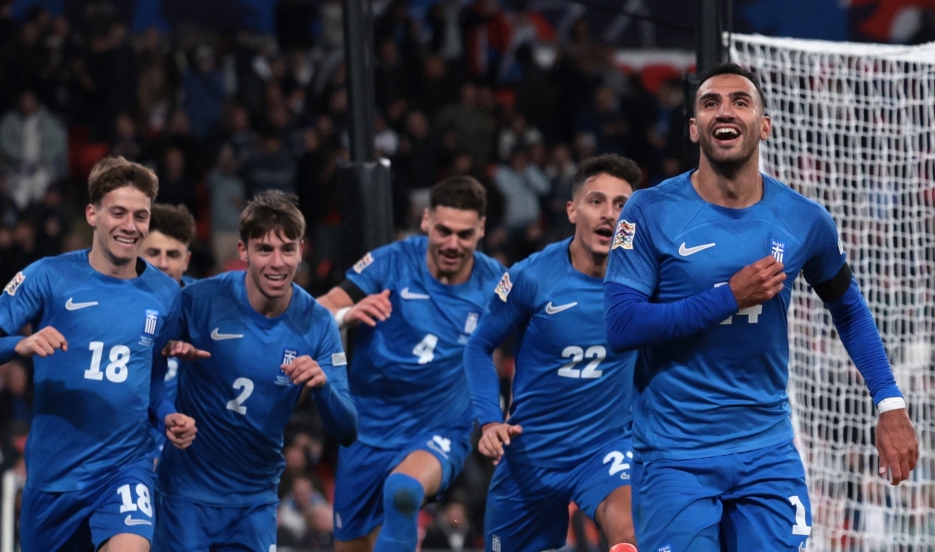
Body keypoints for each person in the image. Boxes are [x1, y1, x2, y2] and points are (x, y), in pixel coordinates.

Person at [603, 64, 919, 551]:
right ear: (694, 128)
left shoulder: (805, 220)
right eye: (710, 103)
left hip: (766, 450)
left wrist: (890, 402)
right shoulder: (648, 211)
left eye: (739, 102)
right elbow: (622, 326)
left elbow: (849, 311)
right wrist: (728, 296)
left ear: (764, 125)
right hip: (674, 454)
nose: (724, 111)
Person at [0, 156, 197, 552]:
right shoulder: (48, 276)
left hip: (125, 470)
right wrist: (20, 344)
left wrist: (167, 414)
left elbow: (152, 379)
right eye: (118, 212)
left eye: (140, 215)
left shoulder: (165, 294)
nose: (130, 225)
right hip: (54, 479)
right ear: (92, 214)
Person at [153, 190, 358, 551]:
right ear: (243, 251)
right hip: (186, 496)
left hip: (255, 504)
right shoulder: (200, 300)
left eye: (287, 249)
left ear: (302, 250)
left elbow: (347, 429)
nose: (277, 263)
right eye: (264, 249)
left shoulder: (319, 324)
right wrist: (168, 408)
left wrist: (323, 387)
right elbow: (147, 368)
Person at [317, 176, 505, 552]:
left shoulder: (495, 285)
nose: (453, 244)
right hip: (366, 429)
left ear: (481, 229)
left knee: (403, 492)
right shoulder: (391, 262)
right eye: (444, 231)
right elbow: (321, 307)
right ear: (426, 221)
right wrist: (349, 313)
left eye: (465, 234)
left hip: (438, 429)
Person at [465, 154, 642, 552]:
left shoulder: (648, 279)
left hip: (607, 447)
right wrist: (491, 421)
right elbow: (478, 346)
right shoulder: (530, 277)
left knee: (629, 534)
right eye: (596, 201)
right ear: (572, 209)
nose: (608, 215)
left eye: (621, 205)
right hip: (531, 452)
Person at [140, 202, 197, 453]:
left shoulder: (207, 307)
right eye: (153, 252)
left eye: (172, 255)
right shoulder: (117, 304)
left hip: (191, 453)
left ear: (186, 260)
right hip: (131, 453)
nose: (162, 263)